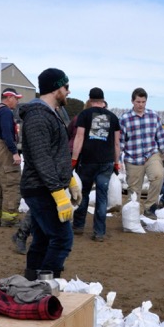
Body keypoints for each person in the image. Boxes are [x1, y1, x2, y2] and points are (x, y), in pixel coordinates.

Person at [19, 68, 79, 279]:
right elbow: (41, 158)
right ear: (56, 89)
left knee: (43, 239)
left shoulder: (53, 114)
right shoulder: (37, 117)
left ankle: (31, 282)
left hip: (45, 187)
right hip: (40, 188)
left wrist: (69, 179)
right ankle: (45, 286)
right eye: (66, 87)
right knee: (62, 239)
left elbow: (56, 153)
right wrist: (58, 193)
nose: (68, 92)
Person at [71, 87, 121, 241]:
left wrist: (74, 159)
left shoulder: (84, 115)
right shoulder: (113, 117)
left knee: (83, 193)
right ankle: (99, 232)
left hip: (87, 161)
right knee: (102, 197)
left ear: (90, 99)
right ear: (103, 99)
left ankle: (78, 226)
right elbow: (117, 143)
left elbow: (79, 138)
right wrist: (117, 163)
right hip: (106, 162)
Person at [120, 88, 164, 220]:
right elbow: (120, 141)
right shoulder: (125, 119)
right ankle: (132, 215)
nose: (140, 105)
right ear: (132, 101)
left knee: (158, 175)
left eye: (143, 102)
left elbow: (160, 136)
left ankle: (150, 208)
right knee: (134, 189)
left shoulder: (153, 116)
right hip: (133, 157)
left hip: (151, 154)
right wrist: (118, 160)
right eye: (138, 101)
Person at [0, 88, 23, 227]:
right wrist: (14, 152)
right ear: (9, 97)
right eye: (16, 98)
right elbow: (7, 134)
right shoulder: (6, 112)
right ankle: (9, 219)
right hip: (4, 149)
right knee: (10, 185)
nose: (17, 101)